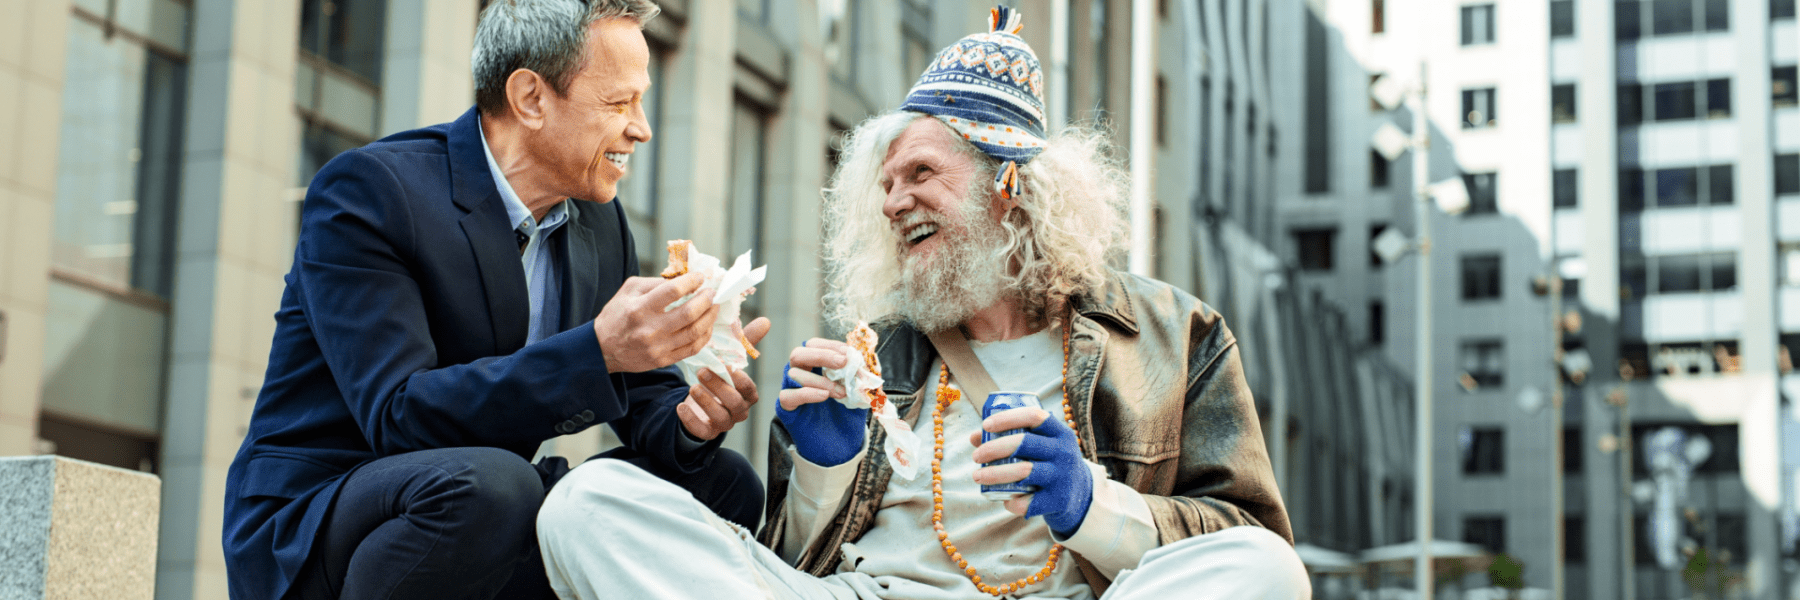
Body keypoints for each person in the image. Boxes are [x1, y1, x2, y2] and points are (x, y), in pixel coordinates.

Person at [535, 6, 1310, 600]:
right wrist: (820, 468)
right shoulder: (873, 353)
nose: (893, 202)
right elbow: (785, 560)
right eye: (885, 185)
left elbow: (1249, 535)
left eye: (919, 175)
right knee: (589, 500)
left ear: (1011, 187)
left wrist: (1089, 506)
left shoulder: (1176, 334)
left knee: (1265, 569)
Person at [221, 2, 767, 599]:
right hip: (321, 516)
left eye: (641, 102)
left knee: (720, 483)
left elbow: (641, 396)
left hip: (482, 500)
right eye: (618, 104)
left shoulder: (599, 220)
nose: (641, 128)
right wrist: (598, 350)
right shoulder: (372, 192)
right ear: (530, 97)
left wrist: (691, 419)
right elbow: (398, 416)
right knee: (495, 487)